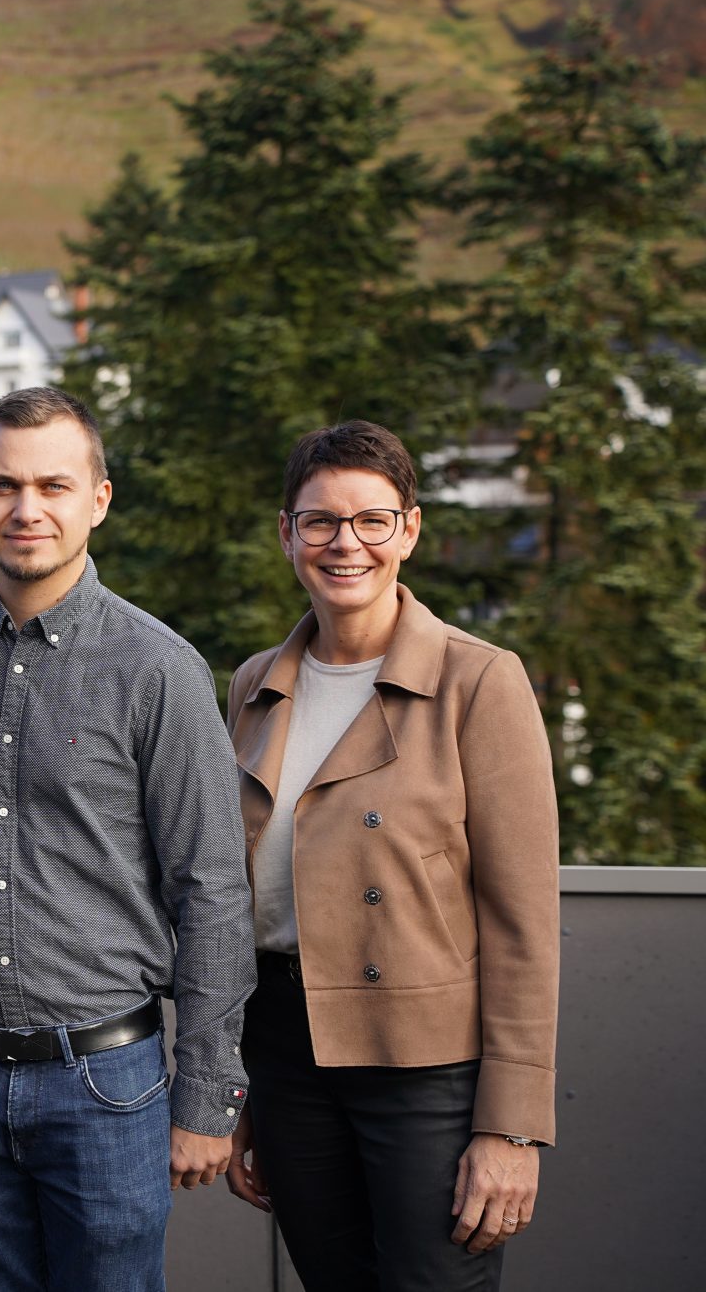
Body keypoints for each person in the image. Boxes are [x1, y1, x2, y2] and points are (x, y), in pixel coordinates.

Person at [0, 385, 256, 1292]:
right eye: (3, 484)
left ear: (98, 497)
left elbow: (211, 887)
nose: (26, 508)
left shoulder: (158, 668)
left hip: (105, 1086)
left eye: (53, 484)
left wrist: (207, 1094)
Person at [221, 421, 558, 1290]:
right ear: (288, 533)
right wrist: (239, 1087)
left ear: (409, 529)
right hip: (288, 1058)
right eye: (321, 521)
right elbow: (237, 898)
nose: (346, 543)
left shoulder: (479, 681)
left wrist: (511, 1127)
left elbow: (523, 925)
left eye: (372, 520)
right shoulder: (254, 687)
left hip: (428, 1073)